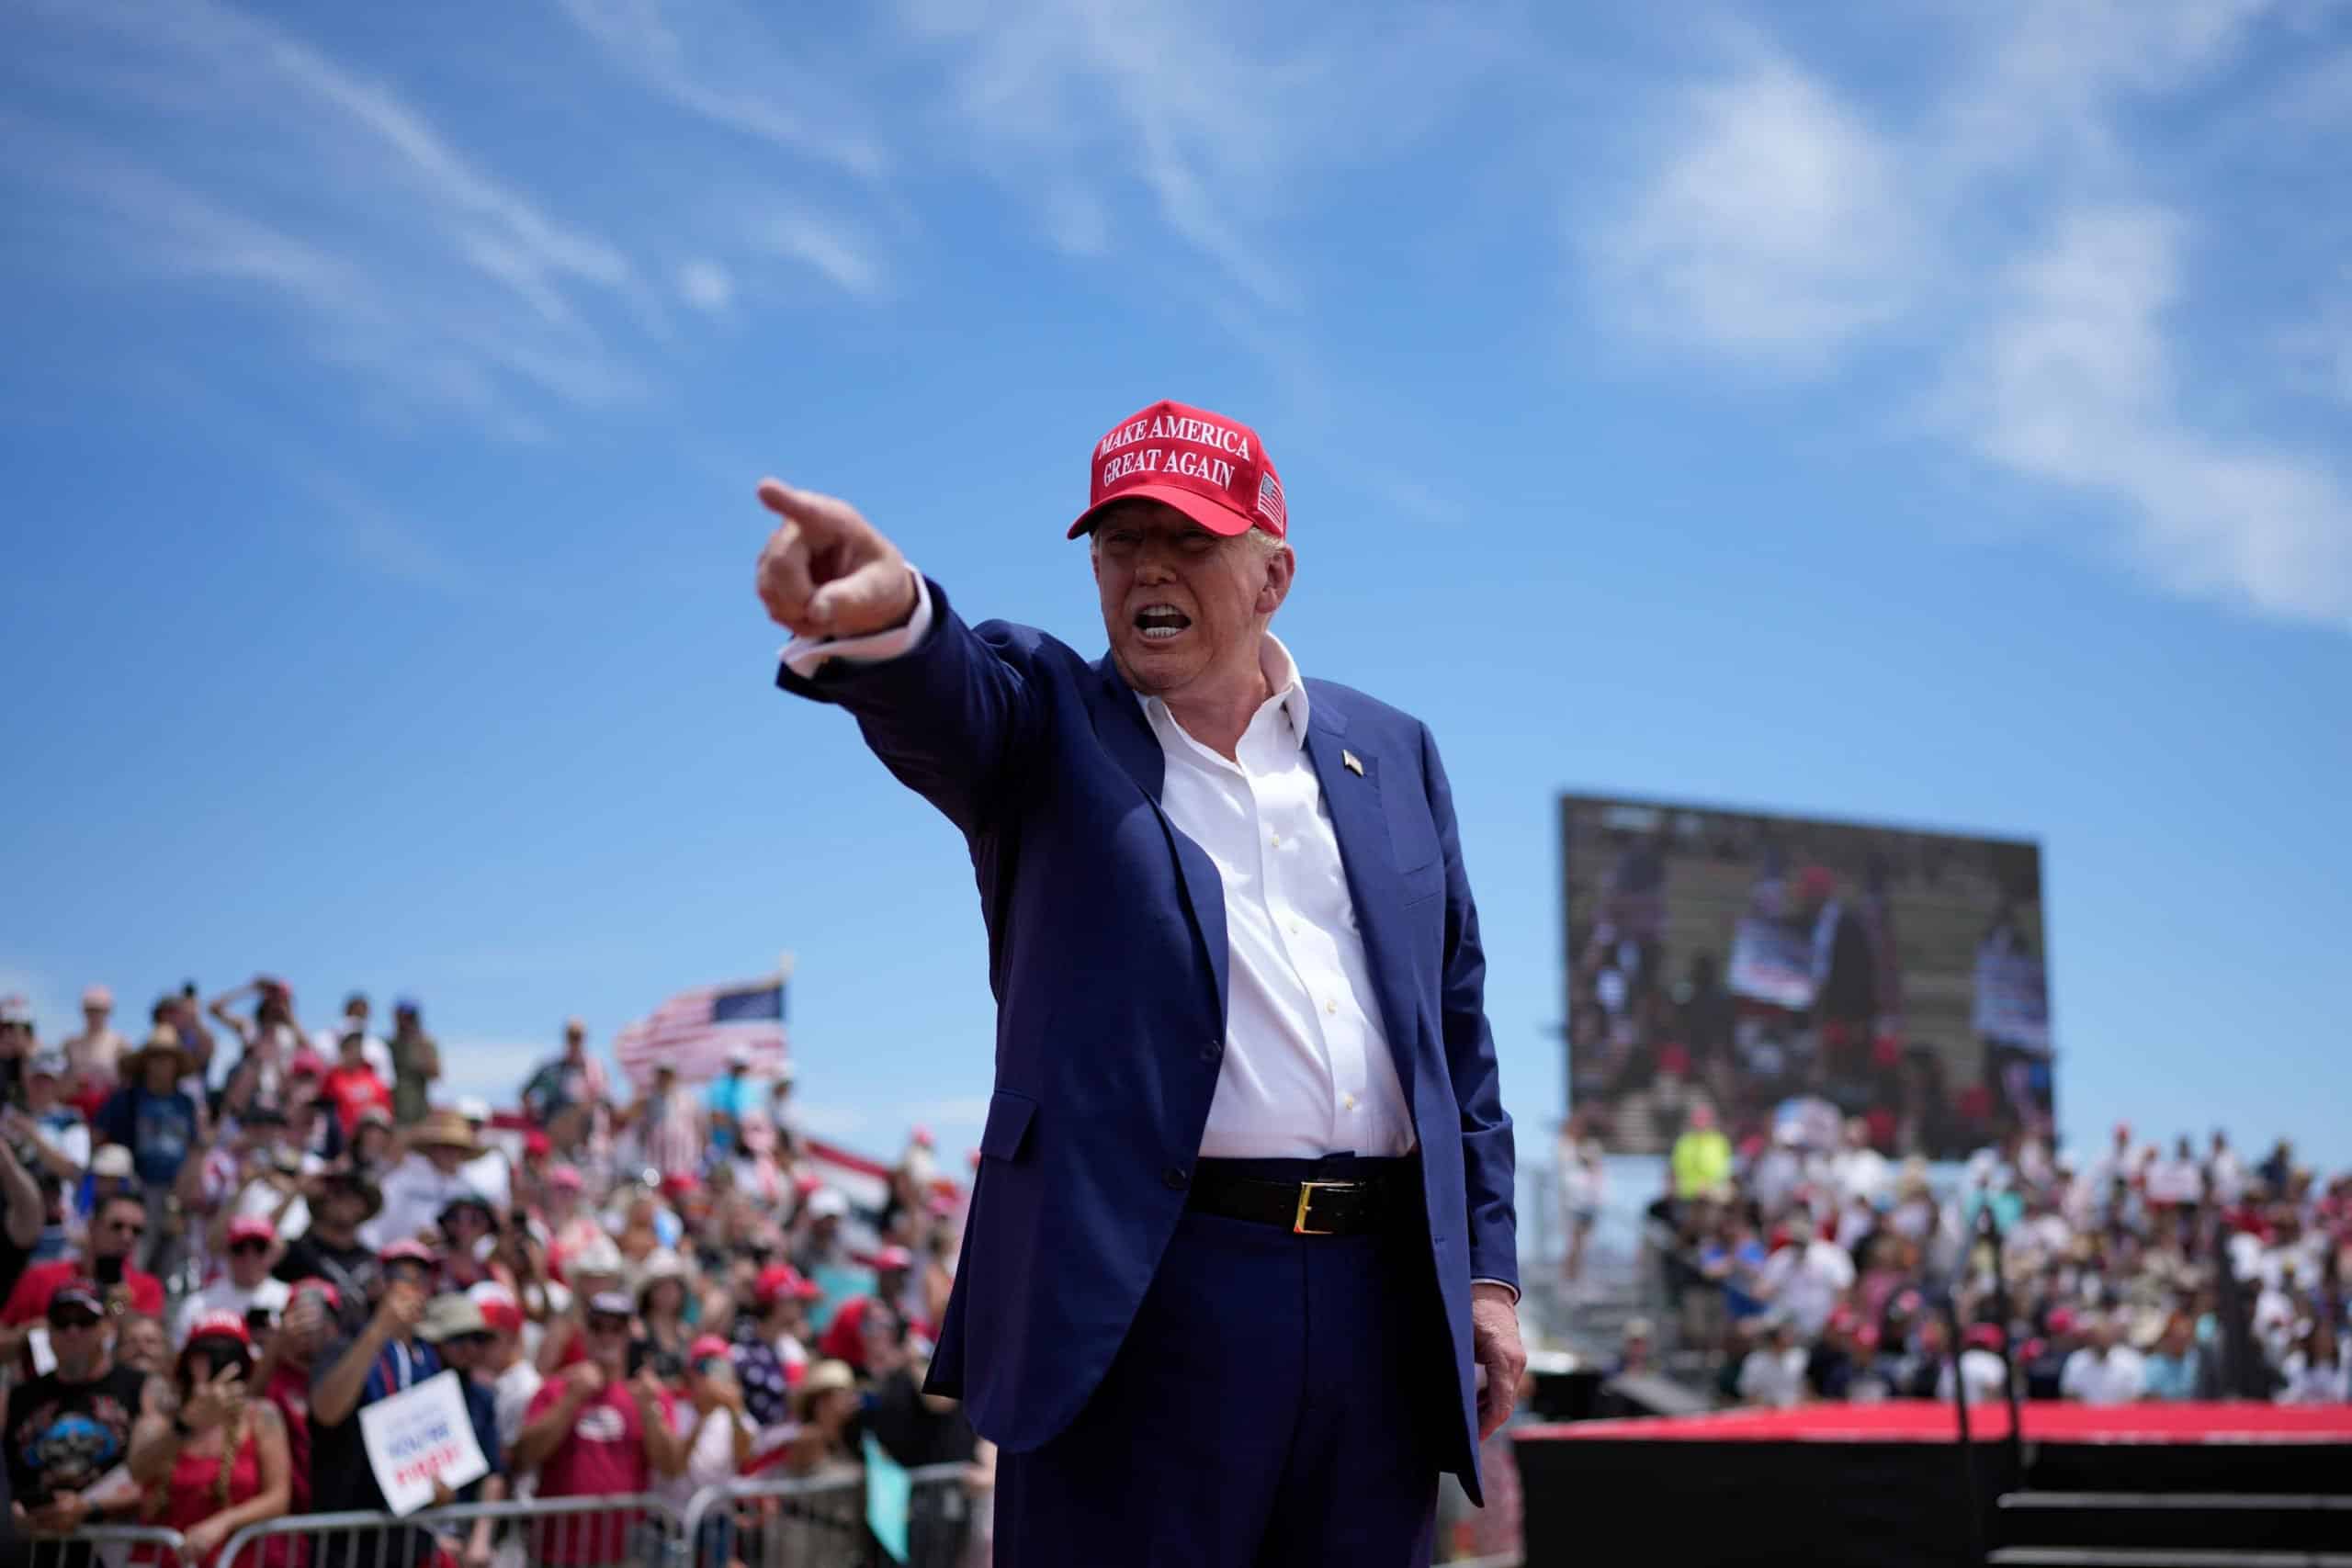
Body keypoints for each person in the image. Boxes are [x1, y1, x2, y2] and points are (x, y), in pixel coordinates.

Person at [753, 395, 1522, 1564]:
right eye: (1121, 542)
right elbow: (946, 692)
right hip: (1141, 1300)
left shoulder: (1396, 751)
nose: (1147, 568)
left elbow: (1455, 1037)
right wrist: (893, 617)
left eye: (1189, 540)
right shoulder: (1047, 721)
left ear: (1272, 576)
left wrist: (1490, 1279)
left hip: (1379, 1306)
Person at [513, 1290, 686, 1567]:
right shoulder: (556, 1388)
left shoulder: (649, 1394)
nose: (607, 1337)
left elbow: (671, 1465)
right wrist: (571, 1400)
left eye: (617, 1329)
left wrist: (649, 1413)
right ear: (585, 1332)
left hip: (624, 1555)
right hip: (557, 1554)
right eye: (597, 1327)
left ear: (629, 1335)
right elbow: (524, 1455)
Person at [307, 1238, 442, 1567]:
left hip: (409, 1541)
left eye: (423, 1280)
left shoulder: (430, 1357)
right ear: (377, 1286)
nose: (415, 1289)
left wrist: (444, 1487)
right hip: (348, 1543)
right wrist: (380, 1328)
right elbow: (325, 1411)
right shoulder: (344, 1346)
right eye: (403, 1277)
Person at [4, 1278, 158, 1562]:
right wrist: (11, 1514)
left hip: (112, 1550)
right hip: (34, 1551)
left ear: (106, 1327)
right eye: (62, 1321)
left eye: (85, 1320)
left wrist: (88, 1507)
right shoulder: (17, 1398)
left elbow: (159, 1478)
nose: (72, 1331)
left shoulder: (142, 1388)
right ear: (48, 1331)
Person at [125, 1312, 292, 1566]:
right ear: (188, 1362)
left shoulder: (261, 1416)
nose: (217, 1363)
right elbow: (138, 1471)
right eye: (206, 1354)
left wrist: (223, 1523)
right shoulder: (159, 1419)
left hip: (234, 1559)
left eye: (230, 1355)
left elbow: (279, 1496)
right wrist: (186, 1425)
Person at [2, 1194, 166, 1348]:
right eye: (117, 1226)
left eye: (136, 1231)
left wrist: (116, 1308)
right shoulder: (41, 1277)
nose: (127, 1237)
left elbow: (151, 1345)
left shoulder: (146, 1287)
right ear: (91, 1225)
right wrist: (31, 1333)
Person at [416, 1294, 507, 1568]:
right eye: (457, 1339)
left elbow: (493, 1474)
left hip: (464, 1540)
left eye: (477, 1339)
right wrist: (428, 1538)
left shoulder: (482, 1397)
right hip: (413, 1540)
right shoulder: (407, 1395)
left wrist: (481, 1539)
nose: (469, 1349)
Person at [271, 1169, 383, 1337]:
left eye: (355, 1196)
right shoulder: (299, 1250)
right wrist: (296, 1192)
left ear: (365, 1206)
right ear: (322, 1202)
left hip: (359, 1352)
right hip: (307, 1349)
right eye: (338, 1194)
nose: (346, 1202)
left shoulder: (371, 1260)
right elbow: (260, 1241)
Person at [368, 1110, 488, 1251]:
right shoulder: (402, 1182)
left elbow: (481, 1243)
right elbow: (375, 1226)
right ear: (431, 1148)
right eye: (442, 1146)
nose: (448, 1152)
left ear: (463, 1152)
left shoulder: (469, 1192)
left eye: (455, 1147)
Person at [175, 1215, 291, 1347]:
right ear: (226, 1252)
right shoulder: (197, 1306)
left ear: (273, 1253)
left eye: (260, 1247)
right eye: (239, 1248)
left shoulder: (290, 1300)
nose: (250, 1257)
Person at [59, 986, 130, 1111]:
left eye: (99, 1010)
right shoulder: (70, 1043)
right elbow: (60, 1085)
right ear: (84, 1011)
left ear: (108, 1012)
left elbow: (126, 1083)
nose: (95, 1015)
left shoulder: (121, 1043)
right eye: (90, 1010)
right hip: (76, 1111)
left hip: (108, 1110)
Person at [386, 1000, 440, 1128]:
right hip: (393, 1110)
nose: (405, 1022)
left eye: (409, 1018)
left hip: (418, 1111)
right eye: (401, 1017)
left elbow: (436, 1073)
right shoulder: (389, 1044)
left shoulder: (426, 1044)